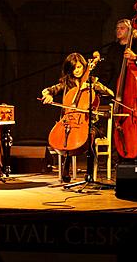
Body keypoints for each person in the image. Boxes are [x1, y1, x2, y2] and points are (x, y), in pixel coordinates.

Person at [42, 52, 112, 183]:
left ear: (84, 66)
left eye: (79, 67)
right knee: (67, 133)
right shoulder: (67, 82)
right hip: (70, 122)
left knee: (90, 135)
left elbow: (110, 93)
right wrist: (48, 95)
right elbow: (49, 90)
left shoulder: (92, 81)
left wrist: (94, 87)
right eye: (73, 68)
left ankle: (89, 172)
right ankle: (66, 166)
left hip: (90, 124)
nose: (76, 71)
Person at [96, 18, 137, 95]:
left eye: (122, 28)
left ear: (130, 30)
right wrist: (99, 84)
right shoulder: (113, 48)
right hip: (116, 89)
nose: (118, 31)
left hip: (135, 89)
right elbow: (108, 70)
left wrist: (135, 57)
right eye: (117, 28)